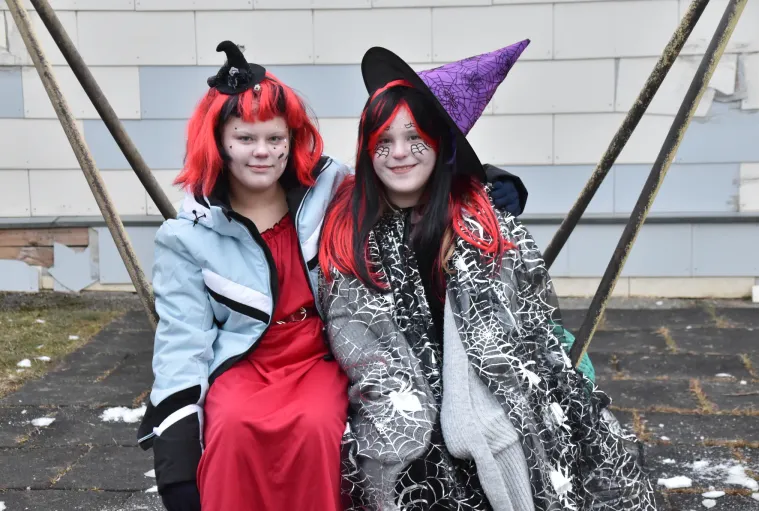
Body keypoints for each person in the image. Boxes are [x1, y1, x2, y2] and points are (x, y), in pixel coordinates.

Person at [136, 41, 529, 511]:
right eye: (245, 138)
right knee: (231, 428)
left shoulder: (327, 187)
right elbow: (182, 342)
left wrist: (484, 180)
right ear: (218, 141)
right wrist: (175, 464)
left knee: (317, 427)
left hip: (322, 352)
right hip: (245, 360)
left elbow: (401, 176)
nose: (262, 152)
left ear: (292, 137)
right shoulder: (187, 236)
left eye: (275, 138)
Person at [319, 41, 655, 510]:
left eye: (415, 138)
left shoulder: (482, 224)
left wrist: (479, 396)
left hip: (482, 369)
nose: (399, 154)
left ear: (440, 144)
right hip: (399, 374)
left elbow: (524, 320)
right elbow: (357, 332)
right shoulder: (349, 230)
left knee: (530, 428)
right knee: (408, 449)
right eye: (383, 142)